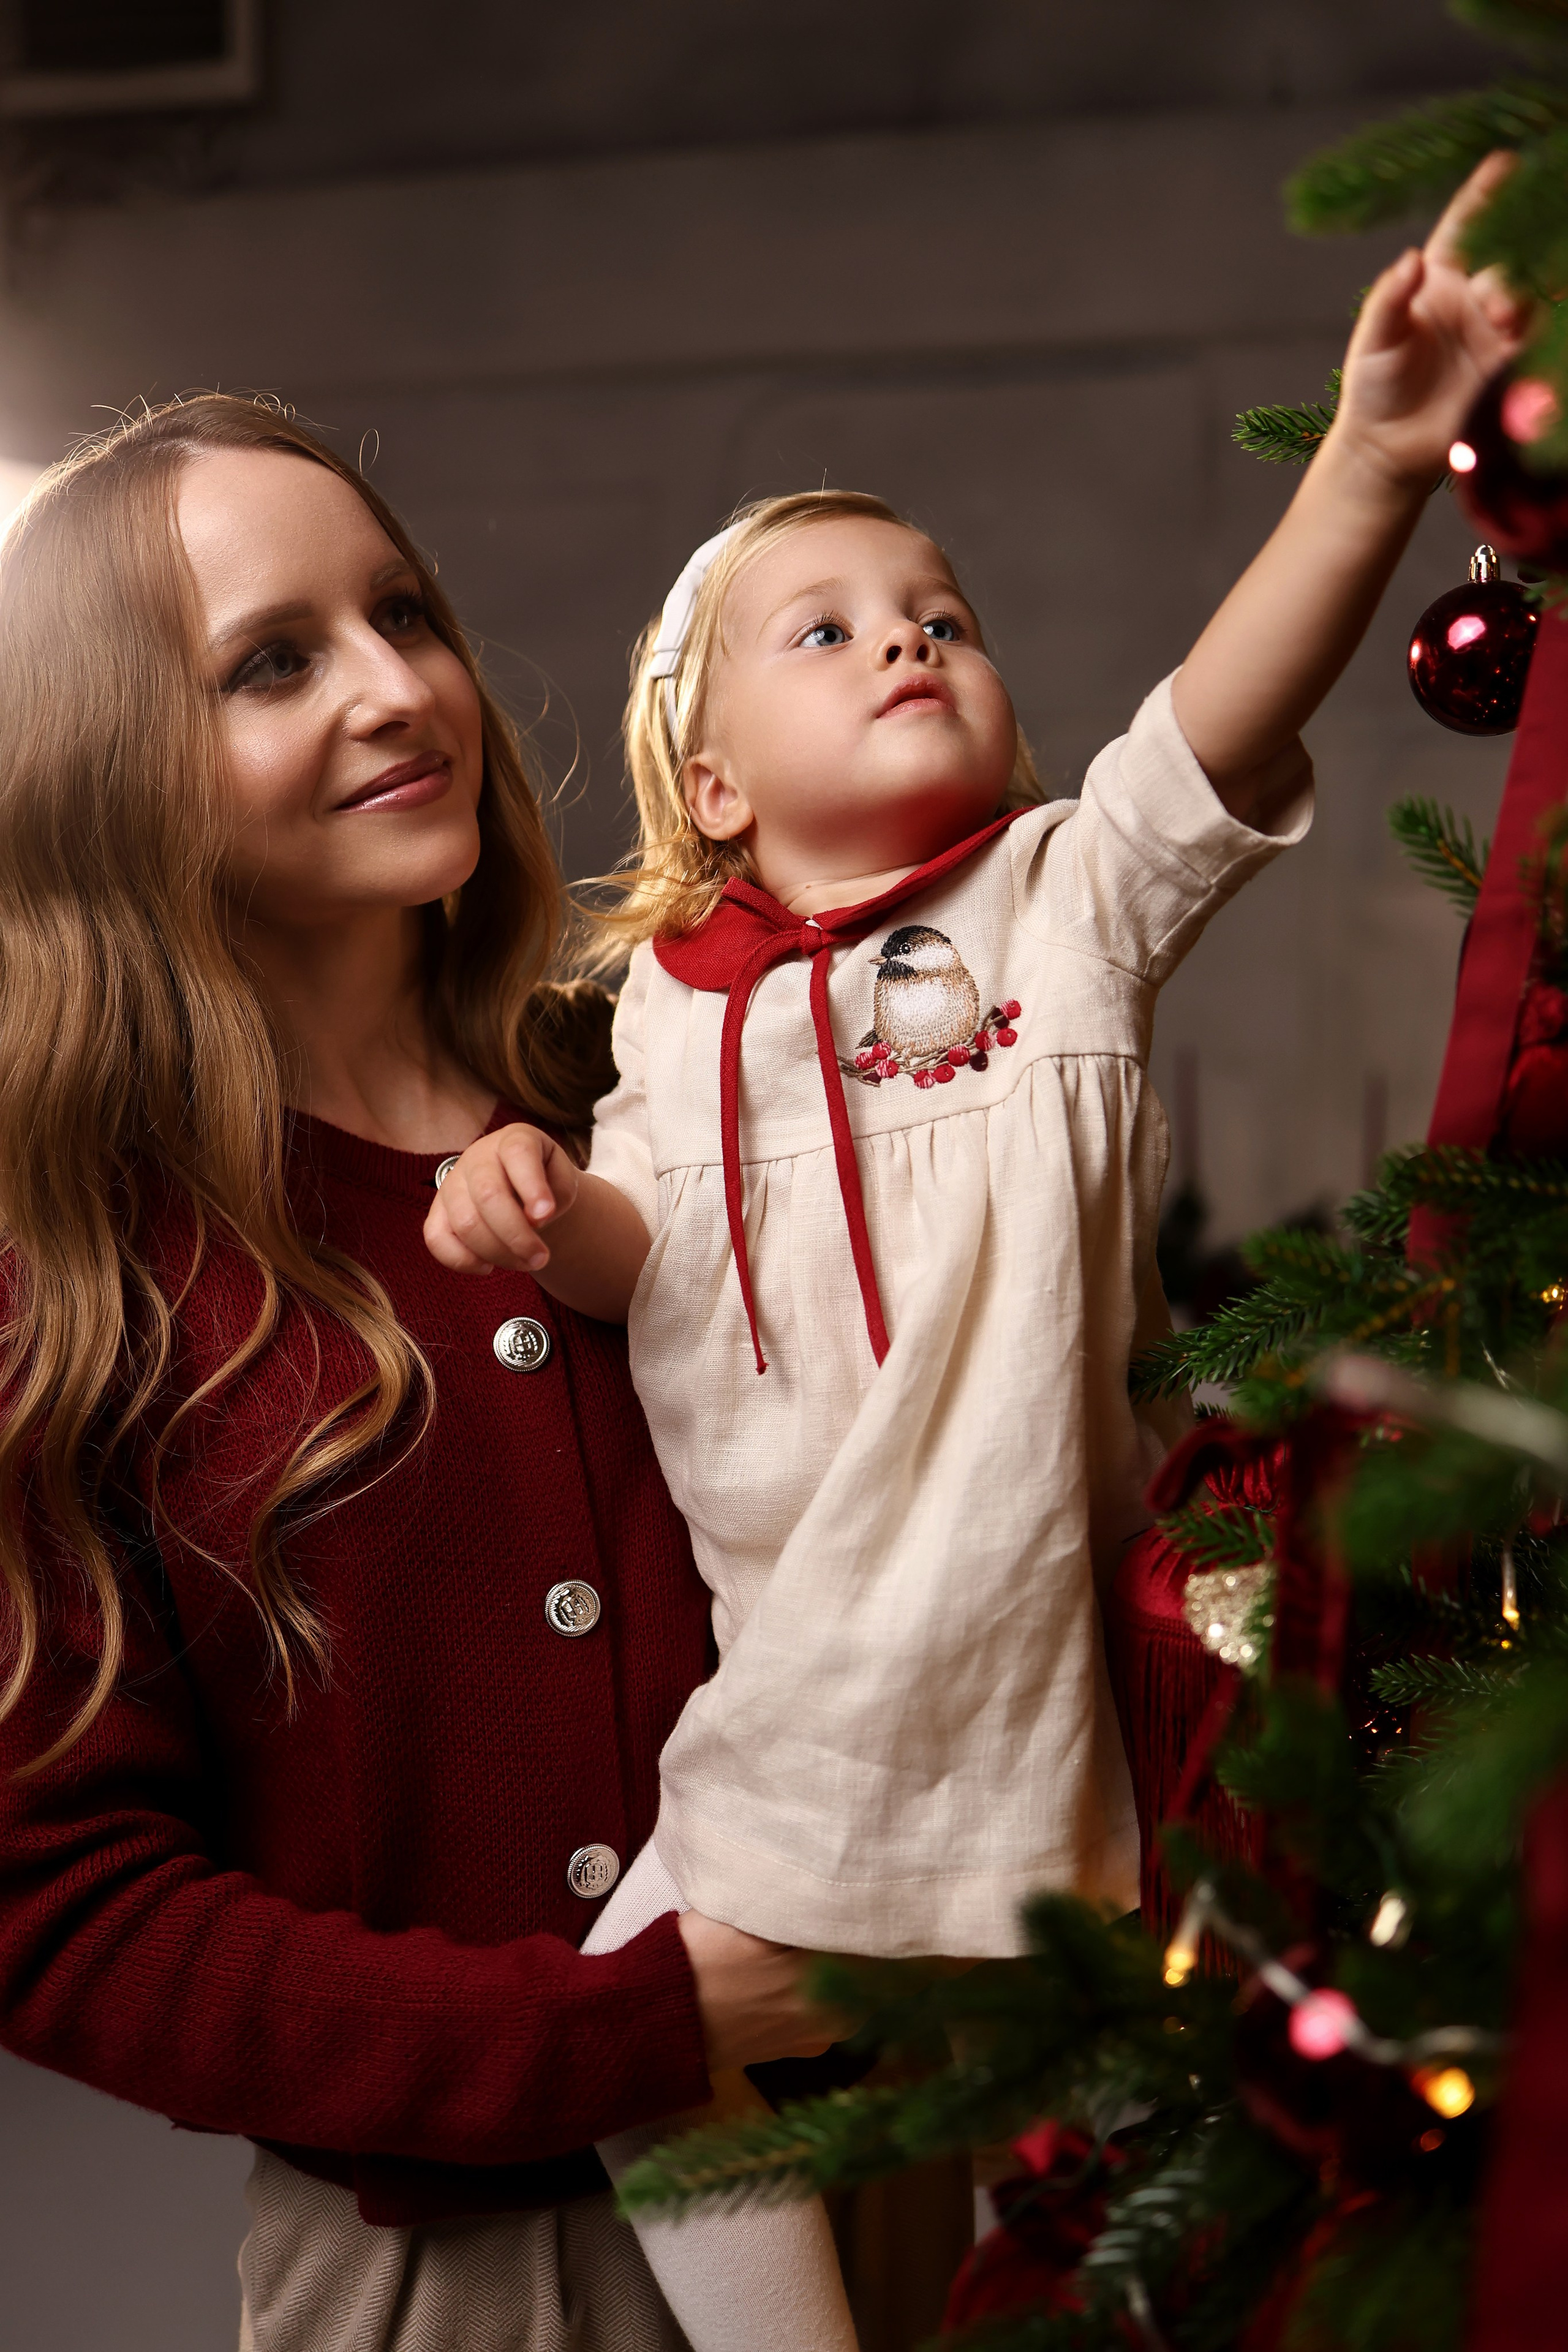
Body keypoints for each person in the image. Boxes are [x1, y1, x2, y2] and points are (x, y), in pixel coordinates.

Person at [423, 155, 1532, 2350]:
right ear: (714, 786)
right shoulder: (665, 1011)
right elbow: (657, 1257)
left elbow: (1220, 711)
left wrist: (1379, 456)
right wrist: (541, 1216)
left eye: (942, 608)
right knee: (651, 2063)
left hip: (1027, 1681)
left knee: (1154, 2148)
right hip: (807, 1695)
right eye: (825, 628)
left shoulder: (1060, 904)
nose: (910, 633)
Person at [0, 393, 848, 2352]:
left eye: (404, 613)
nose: (399, 689)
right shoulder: (93, 1273)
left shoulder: (665, 1098)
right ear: (106, 768)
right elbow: (59, 1914)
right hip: (487, 2273)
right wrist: (637, 2030)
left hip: (908, 2154)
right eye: (274, 662)